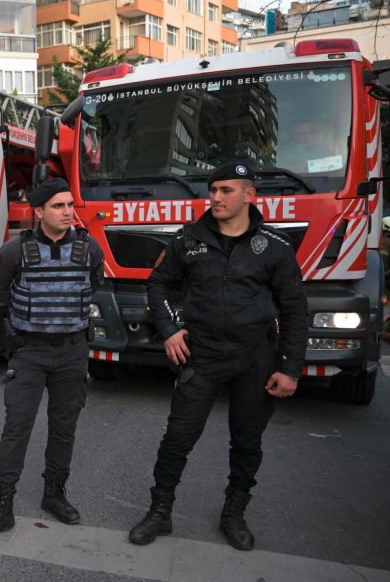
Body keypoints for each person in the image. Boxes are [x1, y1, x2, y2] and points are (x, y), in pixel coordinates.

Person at [128, 162, 307, 551]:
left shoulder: (274, 247)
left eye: (226, 190)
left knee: (247, 442)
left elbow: (294, 310)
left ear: (249, 195)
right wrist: (169, 329)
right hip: (203, 356)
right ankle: (159, 512)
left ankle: (234, 515)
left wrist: (290, 368)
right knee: (177, 438)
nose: (216, 197)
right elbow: (158, 283)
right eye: (213, 190)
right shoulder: (188, 240)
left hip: (255, 358)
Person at [0, 177, 105, 542]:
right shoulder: (15, 250)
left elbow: (94, 284)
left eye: (70, 205)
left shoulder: (89, 248)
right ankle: (2, 507)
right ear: (39, 211)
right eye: (58, 206)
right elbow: (0, 291)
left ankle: (54, 494)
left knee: (64, 428)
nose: (67, 212)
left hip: (73, 351)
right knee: (17, 426)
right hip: (31, 351)